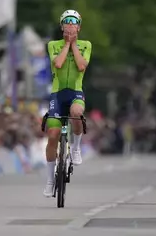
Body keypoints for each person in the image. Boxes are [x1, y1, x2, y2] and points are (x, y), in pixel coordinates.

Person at [43, 10, 92, 197]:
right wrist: (66, 45)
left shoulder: (86, 45)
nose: (70, 24)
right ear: (62, 26)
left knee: (77, 112)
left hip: (75, 92)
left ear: (79, 27)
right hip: (57, 94)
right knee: (53, 134)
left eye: (74, 22)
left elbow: (81, 66)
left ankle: (76, 147)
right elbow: (58, 64)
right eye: (67, 21)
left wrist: (74, 46)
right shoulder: (53, 45)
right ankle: (49, 179)